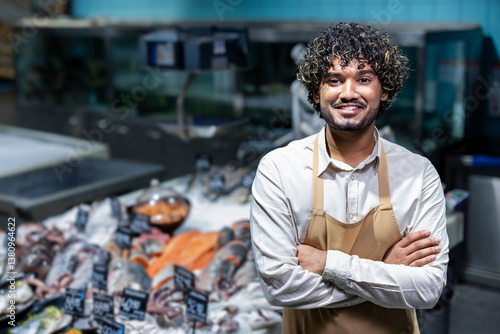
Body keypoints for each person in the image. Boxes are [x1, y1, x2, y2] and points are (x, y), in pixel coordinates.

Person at [249, 22, 449, 334]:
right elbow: (280, 288)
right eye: (334, 79)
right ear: (316, 92)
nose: (348, 92)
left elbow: (427, 290)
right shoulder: (279, 169)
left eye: (364, 79)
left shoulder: (418, 174)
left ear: (384, 91)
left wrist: (328, 264)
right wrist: (387, 271)